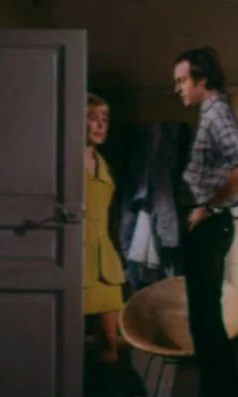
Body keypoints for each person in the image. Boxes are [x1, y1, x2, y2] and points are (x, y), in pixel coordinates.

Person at [173, 46, 238, 397]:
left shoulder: (216, 112)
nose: (177, 88)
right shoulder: (210, 112)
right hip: (207, 226)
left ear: (202, 80)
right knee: (204, 319)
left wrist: (208, 208)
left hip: (209, 226)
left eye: (182, 80)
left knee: (205, 320)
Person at [84, 93, 127, 365]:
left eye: (105, 119)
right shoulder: (63, 161)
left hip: (105, 262)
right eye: (92, 118)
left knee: (110, 340)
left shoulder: (103, 162)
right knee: (66, 338)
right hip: (77, 258)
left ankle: (108, 388)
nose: (100, 125)